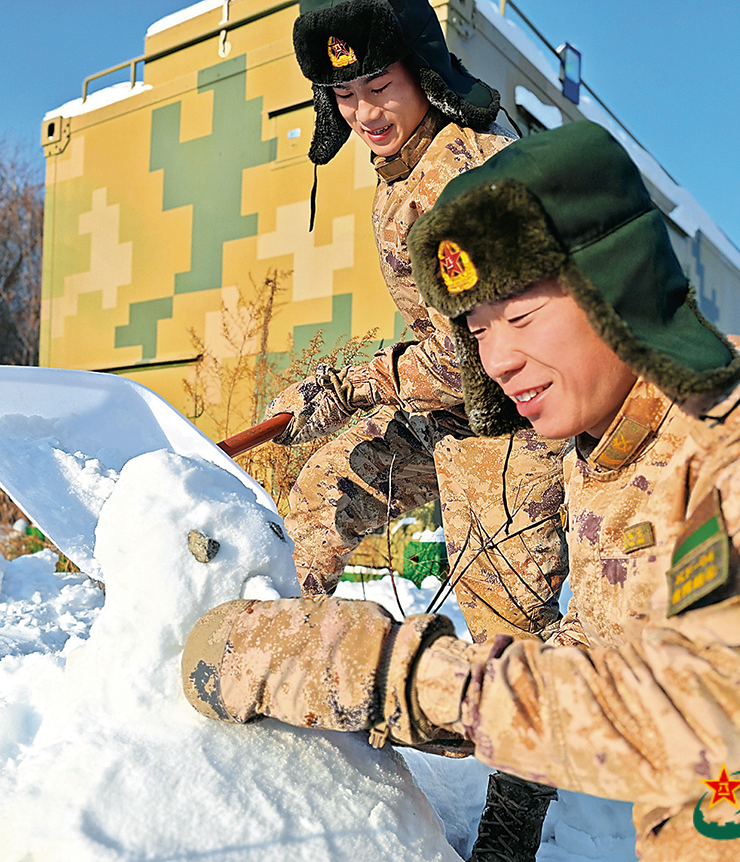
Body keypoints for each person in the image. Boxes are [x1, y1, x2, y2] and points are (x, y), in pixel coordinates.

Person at [183, 119, 740, 860]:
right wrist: (415, 675)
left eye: (523, 316)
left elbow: (698, 720)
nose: (498, 361)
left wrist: (381, 671)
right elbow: (599, 643)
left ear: (612, 288)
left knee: (721, 830)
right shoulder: (607, 443)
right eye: (478, 330)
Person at [271, 3, 570, 855]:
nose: (365, 112)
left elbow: (482, 350)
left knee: (509, 641)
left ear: (423, 75)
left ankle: (512, 832)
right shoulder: (398, 168)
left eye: (379, 85)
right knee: (324, 494)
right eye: (345, 95)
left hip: (514, 426)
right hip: (444, 414)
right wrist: (355, 399)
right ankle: (281, 700)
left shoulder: (468, 171)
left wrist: (352, 386)